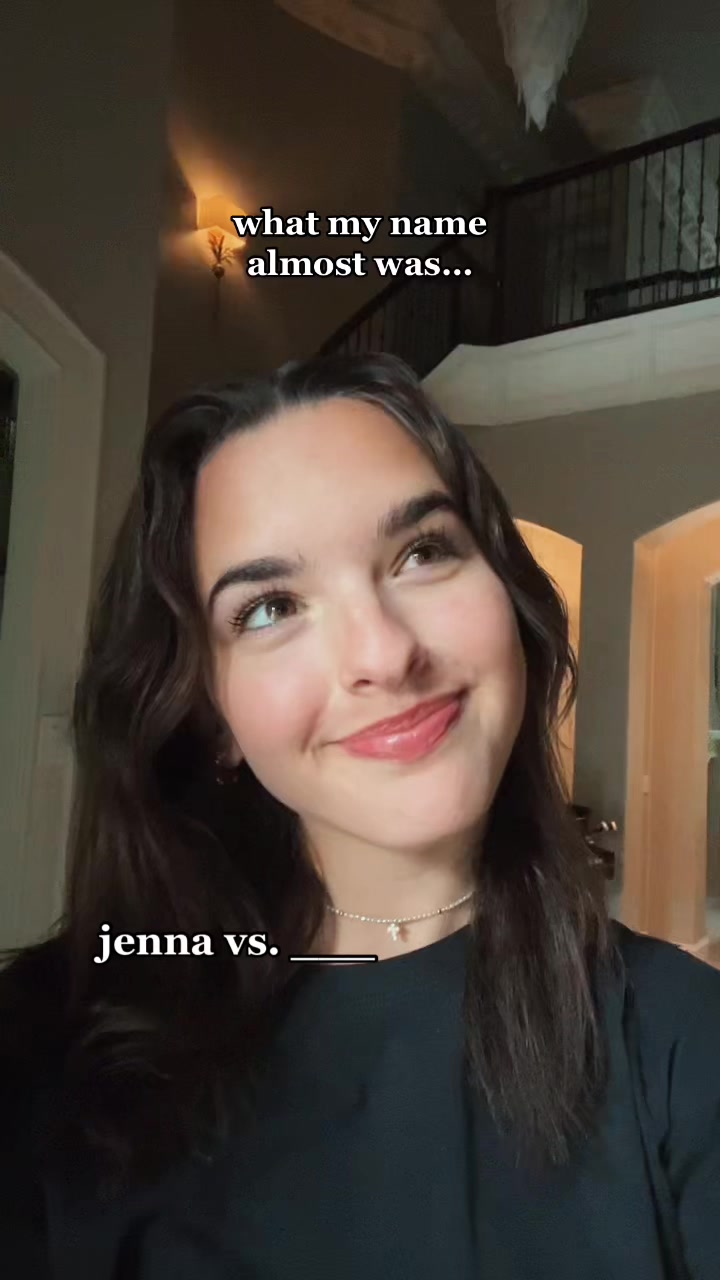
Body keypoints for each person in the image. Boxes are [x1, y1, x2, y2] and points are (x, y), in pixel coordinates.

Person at [0, 352, 718, 1279]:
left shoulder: (680, 1039)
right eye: (270, 608)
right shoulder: (42, 1056)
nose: (382, 654)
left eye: (422, 552)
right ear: (211, 719)